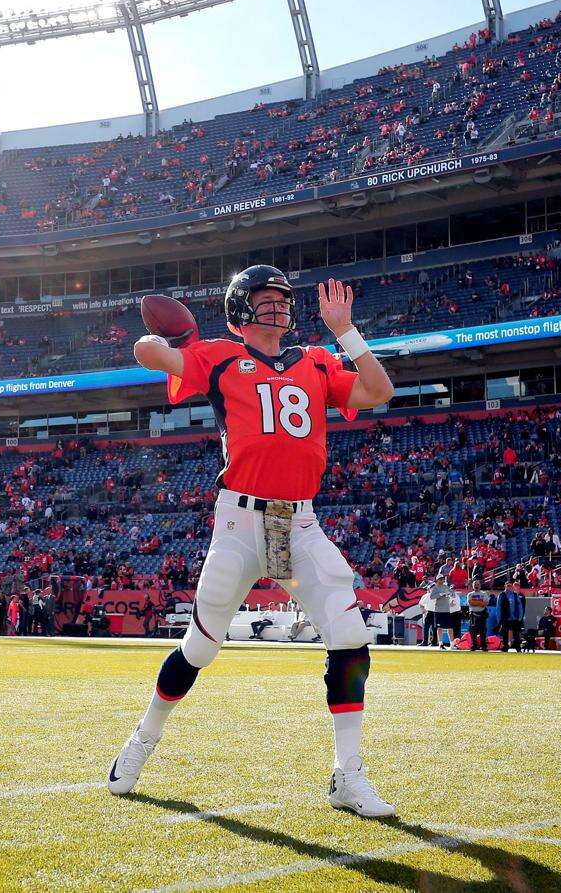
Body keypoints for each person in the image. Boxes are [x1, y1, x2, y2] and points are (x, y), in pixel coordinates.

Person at [109, 268, 395, 817]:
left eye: (283, 301)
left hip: (301, 522)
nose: (277, 309)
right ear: (240, 308)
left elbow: (378, 391)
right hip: (240, 522)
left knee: (349, 633)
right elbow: (150, 355)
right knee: (201, 646)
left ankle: (348, 775)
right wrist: (169, 340)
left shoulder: (316, 359)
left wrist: (347, 332)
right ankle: (144, 737)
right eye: (265, 301)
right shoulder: (218, 355)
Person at [497, 580, 524, 652]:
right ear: (505, 586)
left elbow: (520, 606)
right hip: (505, 617)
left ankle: (518, 647)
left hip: (514, 618)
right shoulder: (501, 595)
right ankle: (505, 647)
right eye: (508, 585)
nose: (509, 587)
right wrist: (499, 618)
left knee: (516, 634)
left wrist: (520, 617)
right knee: (505, 634)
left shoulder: (515, 595)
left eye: (510, 586)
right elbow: (498, 607)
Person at [466, 579, 489, 651]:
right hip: (473, 615)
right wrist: (480, 602)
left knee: (483, 632)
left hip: (482, 614)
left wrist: (475, 602)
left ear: (480, 585)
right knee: (472, 632)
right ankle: (474, 646)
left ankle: (484, 646)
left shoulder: (484, 594)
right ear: (472, 585)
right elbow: (470, 603)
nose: (476, 586)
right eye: (475, 584)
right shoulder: (470, 594)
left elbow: (485, 604)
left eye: (478, 584)